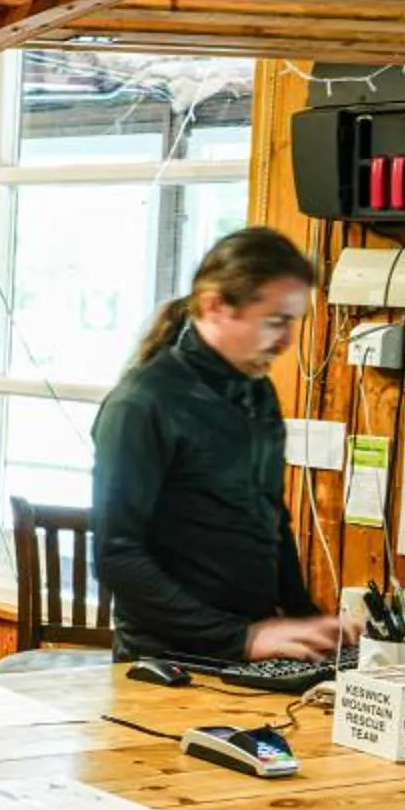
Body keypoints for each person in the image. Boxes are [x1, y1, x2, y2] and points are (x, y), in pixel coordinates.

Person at [90, 227, 345, 667]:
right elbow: (117, 556)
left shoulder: (257, 394)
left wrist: (308, 621)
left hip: (249, 649)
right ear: (214, 306)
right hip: (165, 662)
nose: (287, 341)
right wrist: (239, 638)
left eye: (293, 322)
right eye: (275, 320)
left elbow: (271, 520)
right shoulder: (141, 403)